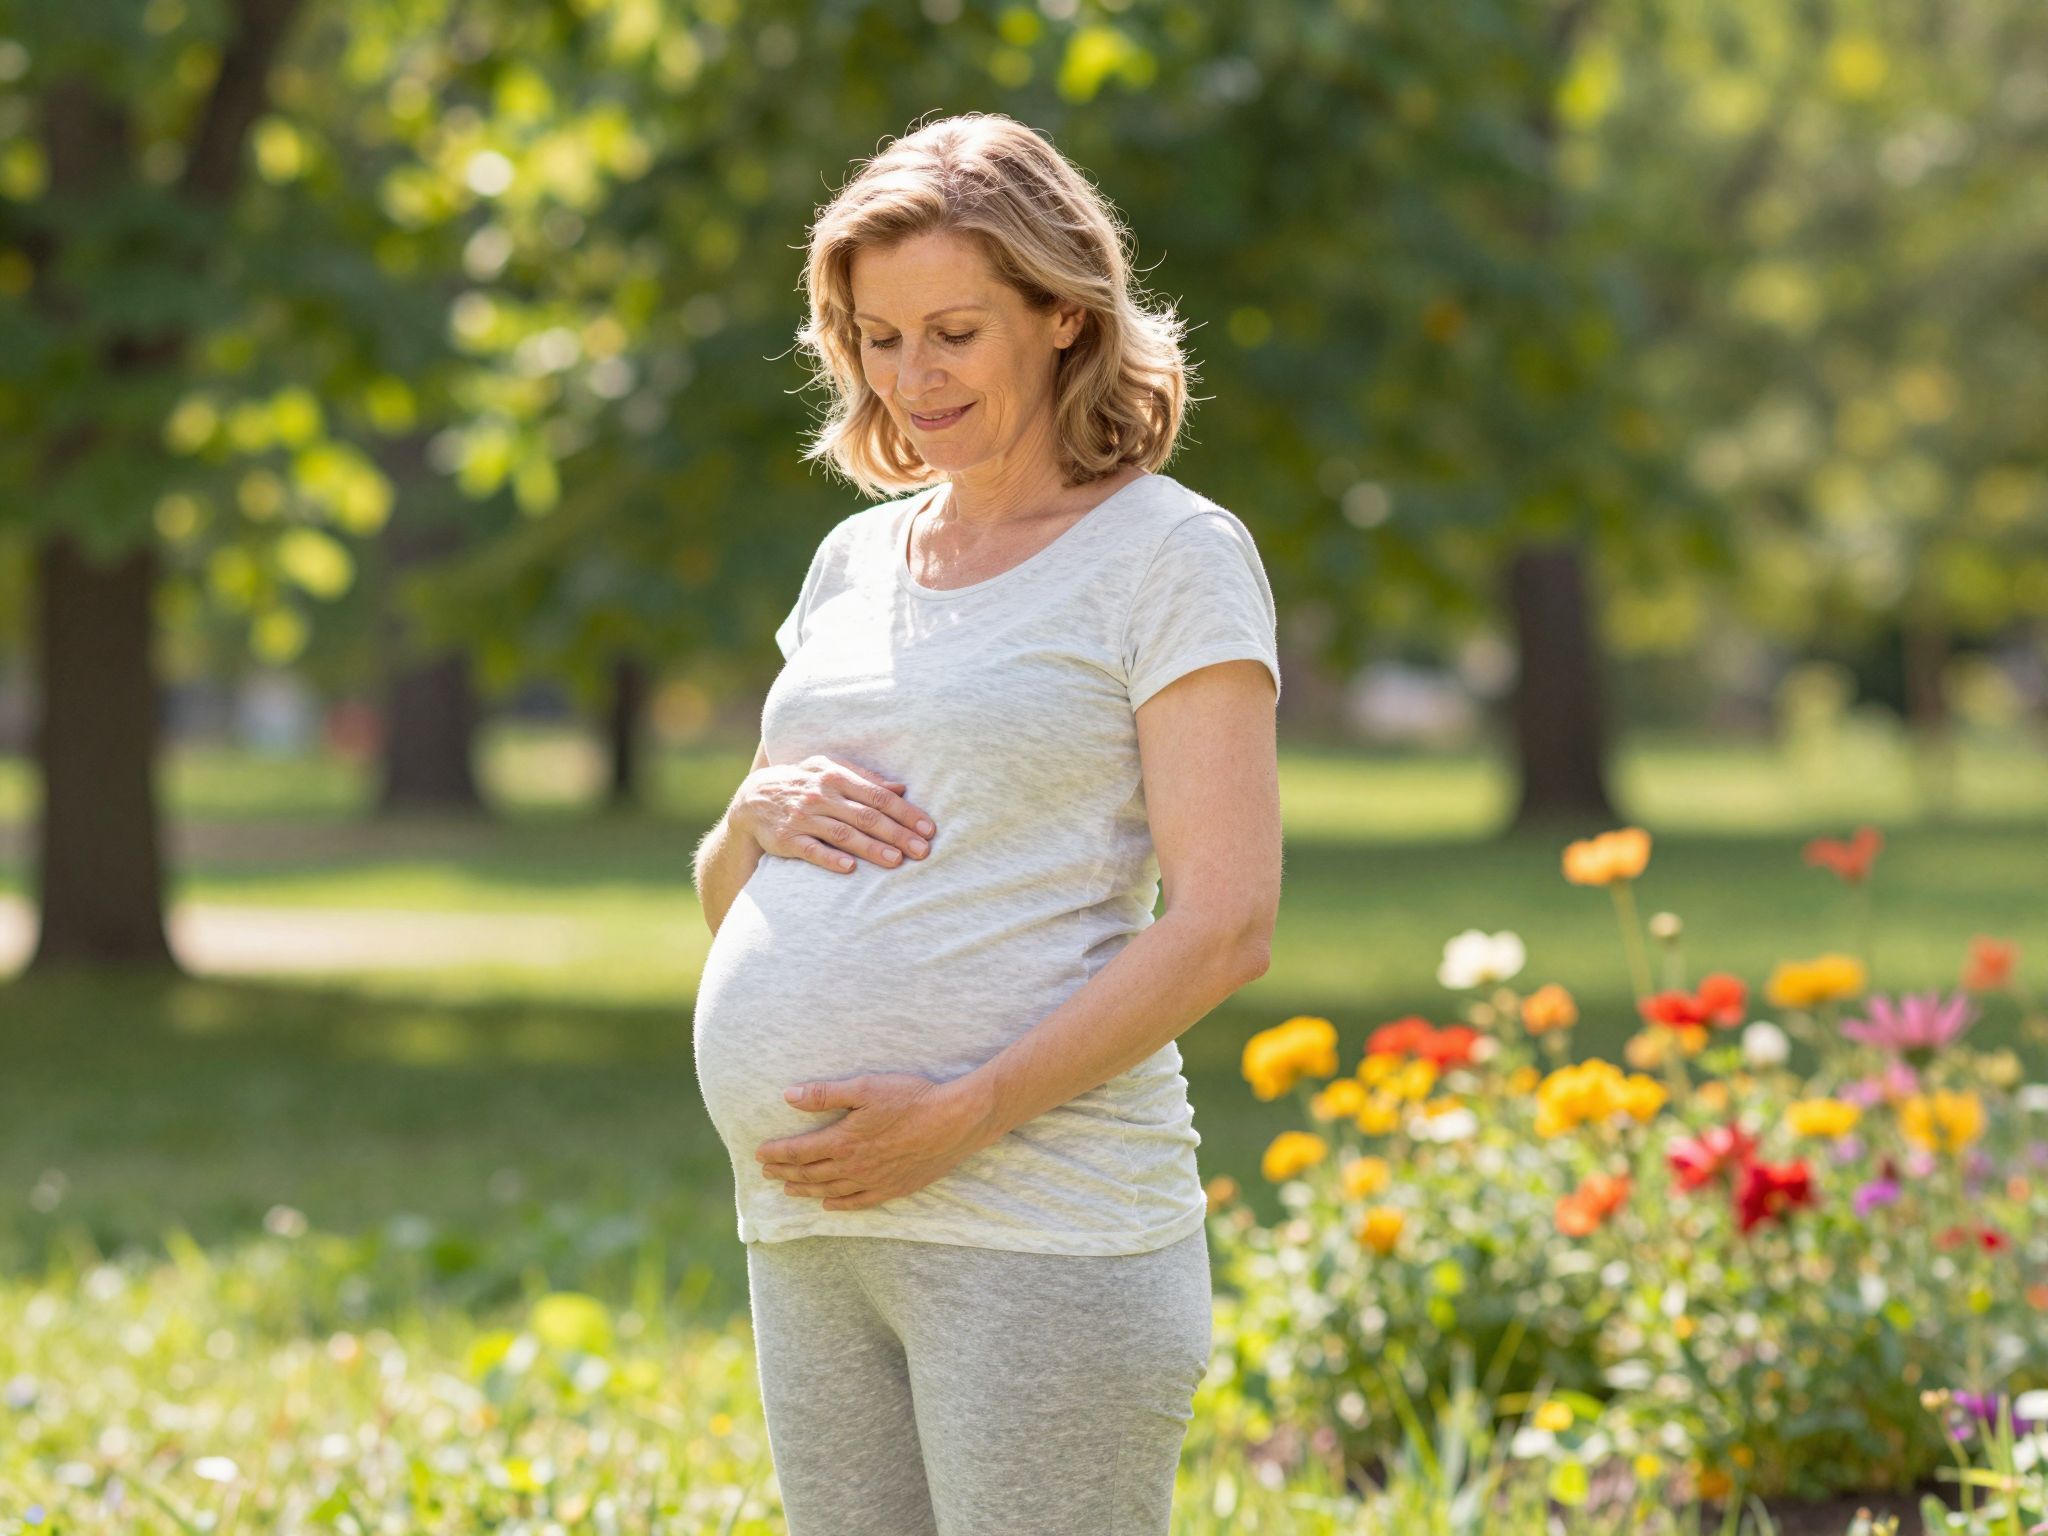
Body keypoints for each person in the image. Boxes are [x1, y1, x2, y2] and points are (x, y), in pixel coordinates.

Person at [689, 111, 1283, 1536]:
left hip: (1037, 1222)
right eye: (877, 338)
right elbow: (738, 895)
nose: (912, 377)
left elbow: (1227, 926)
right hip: (815, 1219)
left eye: (953, 330)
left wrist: (962, 1116)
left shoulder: (1169, 556)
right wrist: (748, 813)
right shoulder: (851, 559)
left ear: (1064, 319)